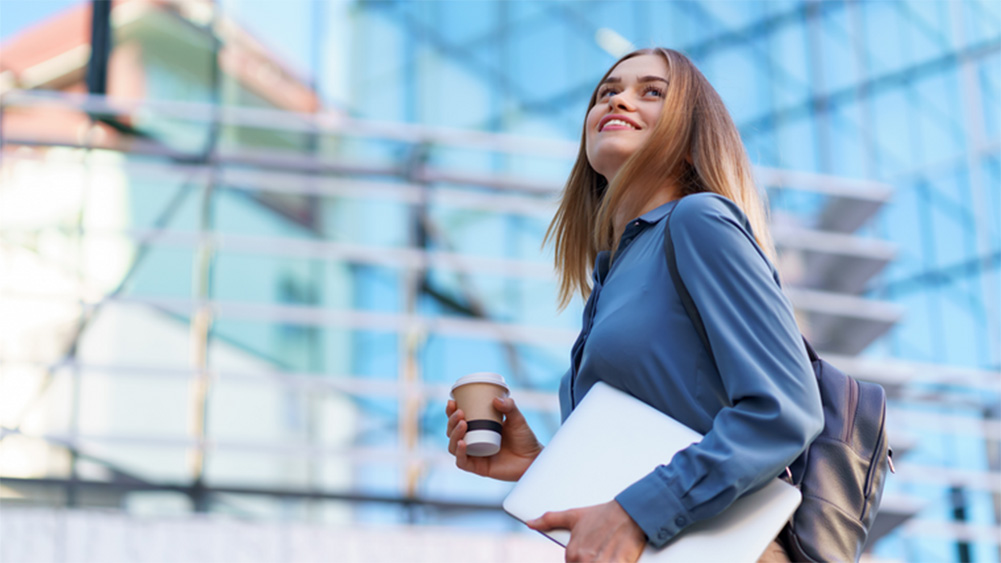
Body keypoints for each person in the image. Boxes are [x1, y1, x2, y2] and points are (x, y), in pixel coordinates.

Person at [445, 47, 823, 563]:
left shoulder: (699, 222)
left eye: (651, 92)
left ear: (690, 140)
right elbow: (636, 469)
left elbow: (785, 411)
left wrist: (636, 512)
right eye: (607, 92)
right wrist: (538, 464)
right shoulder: (608, 281)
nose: (619, 99)